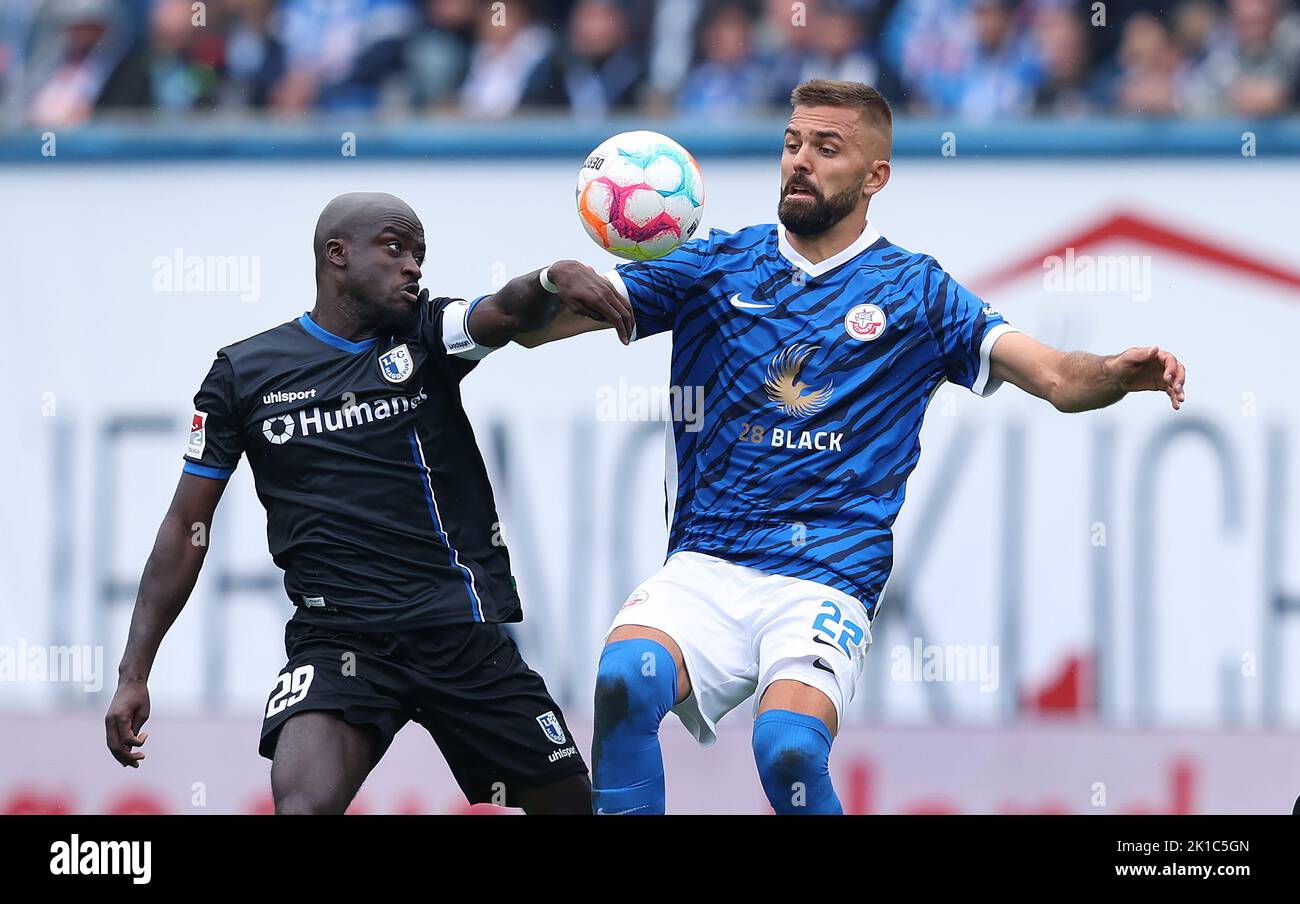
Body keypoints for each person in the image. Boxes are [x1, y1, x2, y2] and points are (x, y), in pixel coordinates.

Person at [517, 79, 1187, 815]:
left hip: (825, 575)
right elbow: (536, 326)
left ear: (876, 177)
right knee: (624, 677)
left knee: (789, 750)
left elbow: (1058, 377)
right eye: (792, 144)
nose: (799, 162)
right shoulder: (714, 266)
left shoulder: (918, 293)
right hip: (707, 561)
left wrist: (1120, 374)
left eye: (826, 149)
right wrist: (549, 281)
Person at [105, 192, 633, 815]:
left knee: (574, 808)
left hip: (456, 634)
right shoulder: (242, 375)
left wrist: (549, 278)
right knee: (303, 807)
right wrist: (134, 671)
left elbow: (508, 312)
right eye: (395, 248)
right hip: (337, 640)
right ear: (337, 255)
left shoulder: (429, 335)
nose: (413, 266)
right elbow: (186, 525)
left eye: (419, 254)